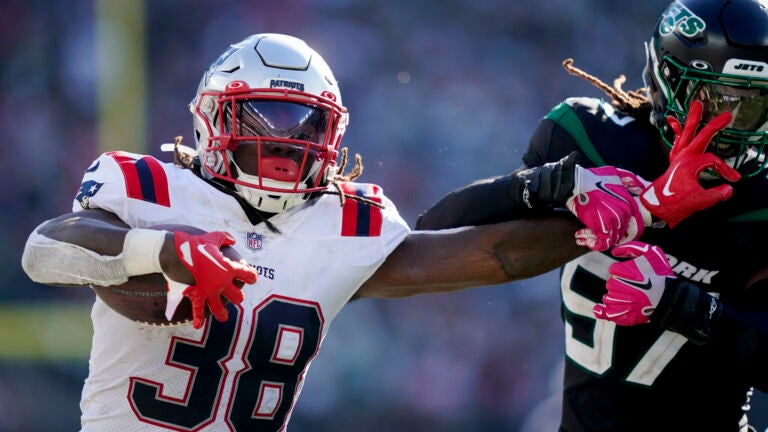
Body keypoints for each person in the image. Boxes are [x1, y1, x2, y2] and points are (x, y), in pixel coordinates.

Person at [19, 33, 658, 432]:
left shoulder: (342, 223)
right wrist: (166, 250)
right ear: (217, 118)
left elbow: (490, 254)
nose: (284, 139)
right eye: (264, 115)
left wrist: (638, 209)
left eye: (305, 124)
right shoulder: (152, 190)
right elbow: (44, 250)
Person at [415, 0, 768, 431]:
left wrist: (683, 305)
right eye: (722, 102)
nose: (739, 129)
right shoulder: (593, 141)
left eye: (756, 107)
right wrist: (550, 184)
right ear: (671, 79)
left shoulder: (758, 198)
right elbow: (429, 238)